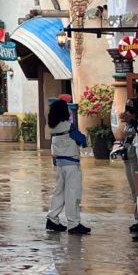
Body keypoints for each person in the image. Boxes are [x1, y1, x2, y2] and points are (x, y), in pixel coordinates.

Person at [46, 97, 90, 235]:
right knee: (73, 194)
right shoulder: (68, 126)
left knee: (59, 193)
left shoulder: (52, 127)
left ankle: (52, 219)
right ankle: (73, 223)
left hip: (59, 164)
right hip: (72, 165)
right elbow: (82, 140)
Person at [119, 97, 138, 239]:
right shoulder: (128, 123)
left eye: (130, 108)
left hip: (136, 156)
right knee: (133, 190)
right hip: (127, 156)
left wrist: (132, 120)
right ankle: (137, 218)